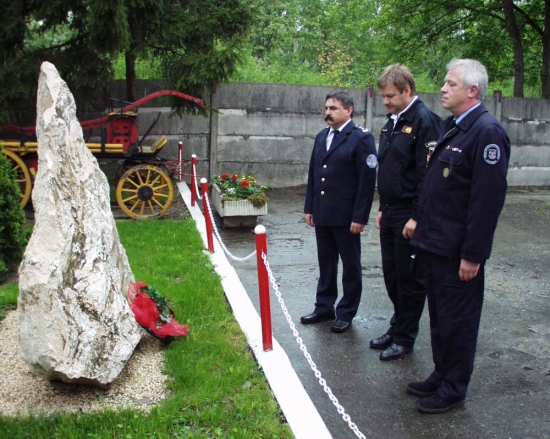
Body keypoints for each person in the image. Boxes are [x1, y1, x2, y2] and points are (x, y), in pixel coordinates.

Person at [407, 59, 510, 413]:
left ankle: (453, 388)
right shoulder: (453, 126)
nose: (443, 88)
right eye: (445, 83)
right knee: (439, 318)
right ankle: (442, 374)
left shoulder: (486, 132)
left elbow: (486, 202)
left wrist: (473, 255)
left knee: (459, 322)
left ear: (472, 90)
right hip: (436, 244)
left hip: (457, 250)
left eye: (451, 83)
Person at [370, 64, 441, 361]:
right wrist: (382, 207)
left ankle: (404, 338)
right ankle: (397, 325)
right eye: (383, 97)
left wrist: (417, 216)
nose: (385, 101)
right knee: (392, 275)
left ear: (407, 90)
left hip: (409, 213)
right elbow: (390, 168)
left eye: (390, 96)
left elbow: (428, 175)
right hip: (391, 211)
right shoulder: (393, 122)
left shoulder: (425, 121)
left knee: (409, 280)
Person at [301, 91, 377, 333]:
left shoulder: (361, 138)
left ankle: (346, 312)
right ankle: (324, 307)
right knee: (326, 263)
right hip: (323, 212)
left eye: (333, 108)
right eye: (326, 108)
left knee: (350, 266)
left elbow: (367, 181)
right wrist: (310, 207)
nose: (328, 112)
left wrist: (360, 216)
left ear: (348, 110)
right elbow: (314, 174)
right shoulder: (321, 136)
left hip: (346, 215)